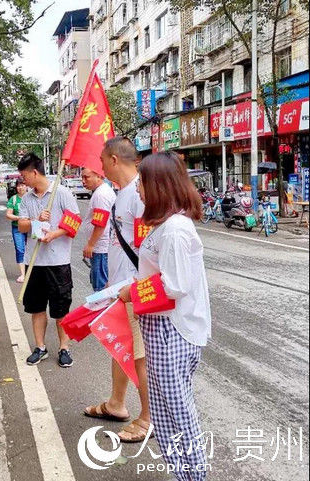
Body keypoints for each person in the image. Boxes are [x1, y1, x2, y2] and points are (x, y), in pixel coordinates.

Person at [118, 152, 211, 480]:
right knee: (162, 409)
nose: (138, 189)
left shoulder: (174, 230)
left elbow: (174, 286)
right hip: (160, 326)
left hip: (174, 330)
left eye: (142, 182)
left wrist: (132, 292)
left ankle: (194, 475)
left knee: (178, 412)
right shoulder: (165, 225)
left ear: (157, 185)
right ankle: (181, 473)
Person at [83, 137, 151, 444]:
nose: (97, 165)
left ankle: (149, 417)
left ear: (113, 160)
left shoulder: (140, 194)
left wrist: (136, 287)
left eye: (100, 159)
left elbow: (148, 247)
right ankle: (116, 403)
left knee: (140, 355)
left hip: (135, 290)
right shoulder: (121, 193)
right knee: (120, 347)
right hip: (120, 287)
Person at [17, 153, 79, 368]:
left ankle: (64, 348)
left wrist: (55, 233)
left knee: (61, 309)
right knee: (36, 308)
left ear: (35, 172)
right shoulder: (26, 199)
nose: (22, 180)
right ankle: (40, 347)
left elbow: (74, 224)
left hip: (58, 262)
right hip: (34, 262)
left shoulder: (61, 194)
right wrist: (36, 221)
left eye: (24, 175)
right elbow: (22, 226)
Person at [81, 168, 116, 291]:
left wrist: (91, 244)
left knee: (101, 289)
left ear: (99, 176)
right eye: (82, 177)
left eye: (87, 177)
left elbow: (100, 223)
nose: (83, 181)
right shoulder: (100, 192)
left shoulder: (101, 195)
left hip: (101, 249)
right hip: (101, 247)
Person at [6, 179, 28, 283]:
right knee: (20, 249)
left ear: (26, 186)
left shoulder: (31, 197)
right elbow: (8, 214)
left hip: (31, 227)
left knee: (33, 250)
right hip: (17, 228)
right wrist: (19, 218)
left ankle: (32, 272)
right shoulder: (13, 199)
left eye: (23, 185)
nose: (20, 187)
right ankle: (23, 274)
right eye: (19, 186)